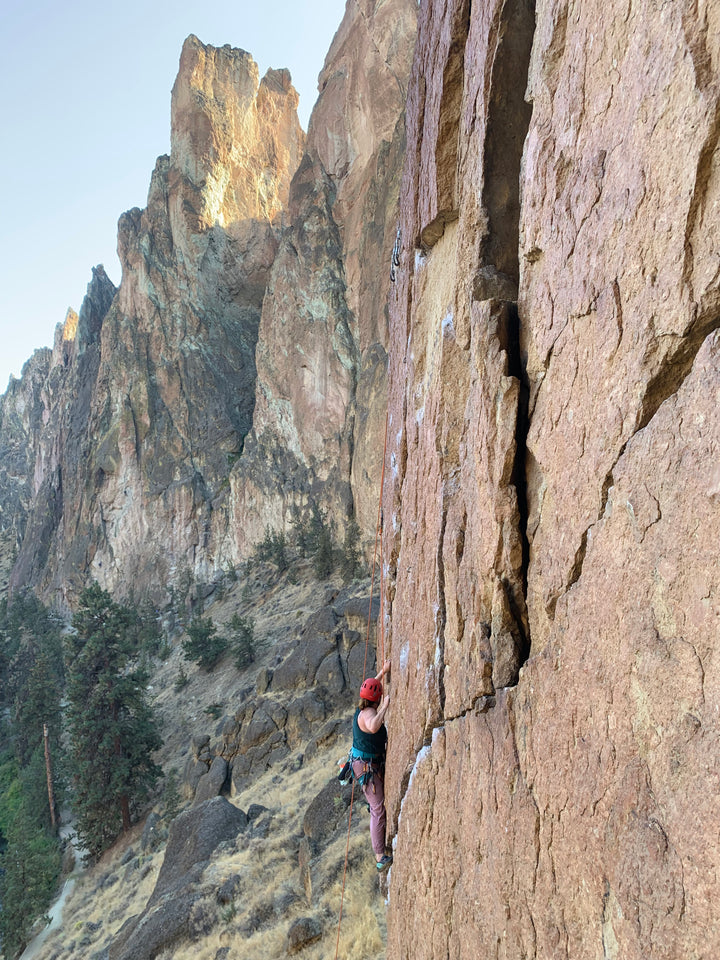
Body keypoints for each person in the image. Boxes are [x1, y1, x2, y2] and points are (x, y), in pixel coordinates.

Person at [351, 658, 392, 870]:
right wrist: (384, 708)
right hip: (366, 766)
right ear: (376, 700)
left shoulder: (364, 704)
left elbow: (371, 687)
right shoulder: (368, 715)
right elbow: (374, 726)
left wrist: (382, 673)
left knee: (376, 806)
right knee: (378, 809)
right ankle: (379, 857)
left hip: (365, 763)